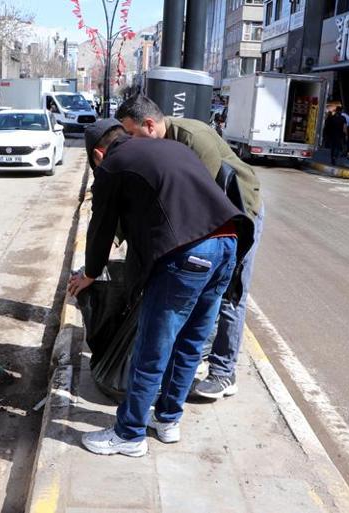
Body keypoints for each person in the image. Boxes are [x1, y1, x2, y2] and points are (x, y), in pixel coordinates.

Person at [69, 119, 252, 456]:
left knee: (152, 346)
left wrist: (91, 274)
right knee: (190, 342)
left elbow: (101, 227)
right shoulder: (171, 147)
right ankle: (167, 420)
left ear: (98, 154)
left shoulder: (112, 165)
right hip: (229, 244)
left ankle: (129, 435)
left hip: (188, 255)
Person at [115, 95, 263, 399]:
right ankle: (190, 361)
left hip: (239, 213)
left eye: (131, 134)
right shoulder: (160, 145)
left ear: (150, 125)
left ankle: (223, 372)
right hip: (211, 219)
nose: (130, 141)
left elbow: (198, 203)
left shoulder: (195, 140)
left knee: (229, 292)